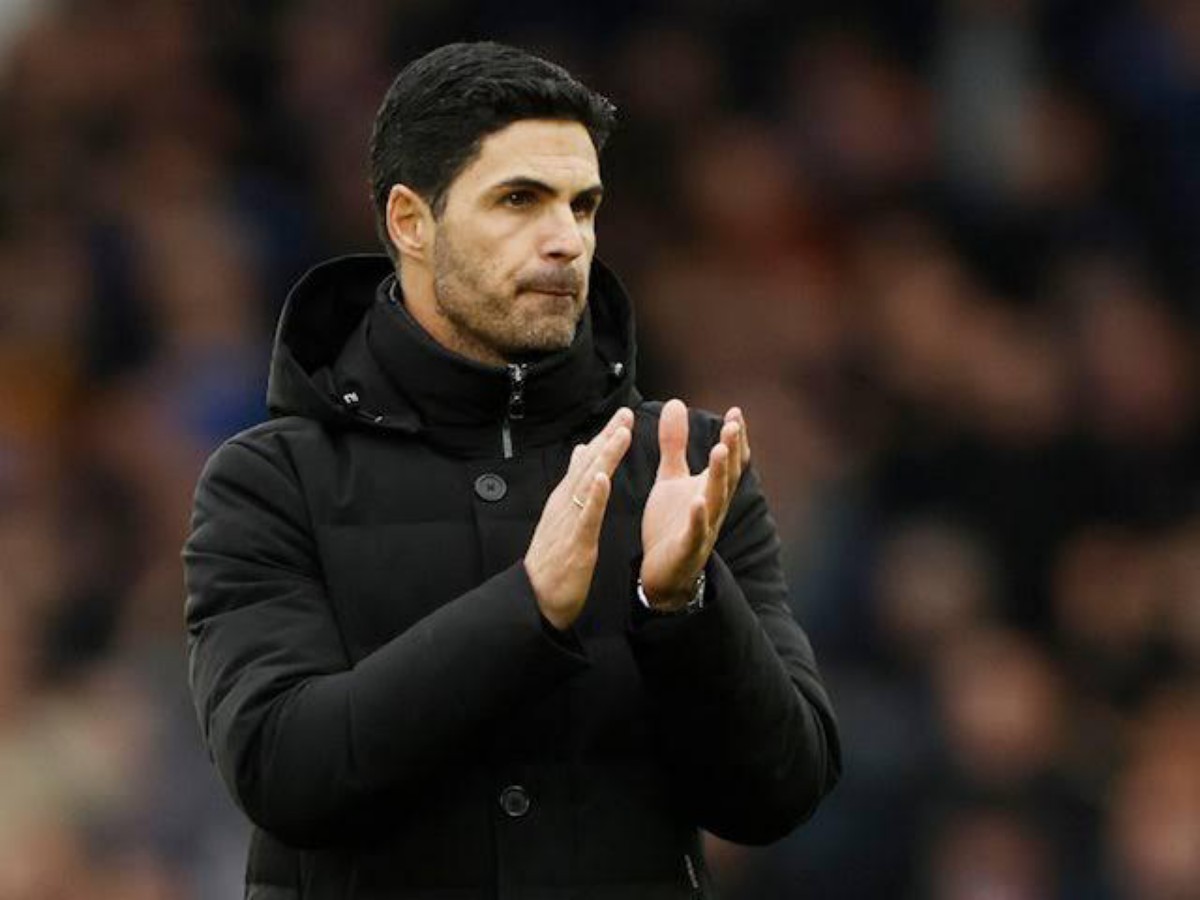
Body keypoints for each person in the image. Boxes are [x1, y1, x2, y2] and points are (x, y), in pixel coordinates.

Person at [183, 41, 840, 900]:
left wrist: (682, 606)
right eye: (520, 200)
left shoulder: (682, 466)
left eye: (583, 205)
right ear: (410, 222)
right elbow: (283, 771)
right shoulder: (268, 481)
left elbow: (781, 793)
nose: (567, 241)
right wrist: (525, 611)